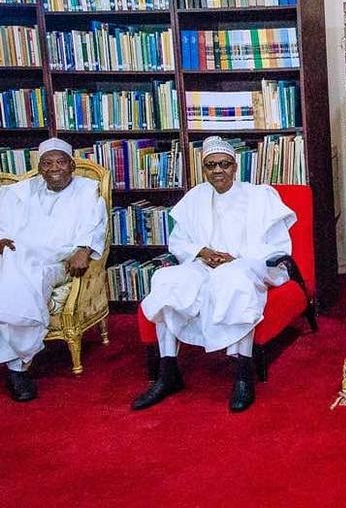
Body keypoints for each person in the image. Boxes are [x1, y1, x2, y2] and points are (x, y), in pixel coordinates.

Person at [132, 136, 296, 412]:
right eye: (211, 166)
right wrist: (203, 251)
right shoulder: (195, 197)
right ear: (203, 169)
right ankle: (168, 372)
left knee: (233, 283)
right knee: (167, 282)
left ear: (235, 166)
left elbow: (276, 245)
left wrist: (236, 258)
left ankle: (244, 374)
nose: (218, 170)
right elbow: (179, 242)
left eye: (224, 164)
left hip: (246, 266)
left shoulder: (259, 196)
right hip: (203, 264)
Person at [0, 138, 106, 402]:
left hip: (56, 264)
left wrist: (84, 248)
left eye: (60, 162)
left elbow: (96, 226)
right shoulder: (21, 191)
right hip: (17, 257)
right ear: (39, 168)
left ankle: (17, 366)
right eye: (47, 163)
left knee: (23, 281)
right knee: (14, 268)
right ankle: (15, 357)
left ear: (72, 165)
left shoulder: (87, 190)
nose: (54, 168)